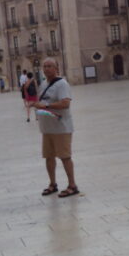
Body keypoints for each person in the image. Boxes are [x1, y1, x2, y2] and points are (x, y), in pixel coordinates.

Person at [35, 58, 80, 198]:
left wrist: (46, 106)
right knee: (49, 157)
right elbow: (43, 103)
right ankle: (52, 184)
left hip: (61, 128)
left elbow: (65, 103)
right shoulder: (43, 84)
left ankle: (72, 185)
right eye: (45, 66)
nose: (46, 68)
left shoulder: (62, 84)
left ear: (56, 68)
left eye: (50, 66)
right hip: (47, 128)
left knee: (65, 157)